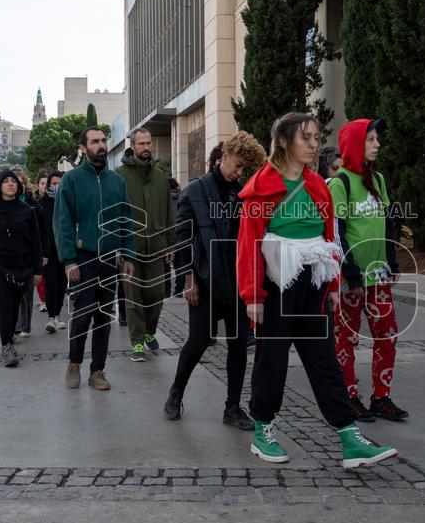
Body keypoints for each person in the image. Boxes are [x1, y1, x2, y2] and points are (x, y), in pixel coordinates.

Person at [237, 112, 398, 469]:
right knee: (272, 361)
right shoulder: (262, 185)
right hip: (277, 287)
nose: (313, 144)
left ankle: (348, 436)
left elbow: (330, 237)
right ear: (283, 141)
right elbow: (249, 244)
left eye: (315, 137)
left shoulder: (318, 185)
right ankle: (263, 431)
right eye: (305, 137)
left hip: (313, 282)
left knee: (324, 361)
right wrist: (253, 297)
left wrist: (334, 283)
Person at [165, 131, 266, 430]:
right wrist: (189, 279)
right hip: (205, 279)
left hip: (237, 281)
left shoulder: (243, 193)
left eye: (244, 167)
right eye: (237, 164)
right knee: (197, 342)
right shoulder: (195, 190)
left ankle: (232, 408)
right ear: (223, 156)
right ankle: (176, 393)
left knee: (238, 346)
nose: (239, 171)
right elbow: (183, 239)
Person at [331, 119, 407, 422]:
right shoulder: (340, 183)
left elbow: (387, 222)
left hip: (378, 276)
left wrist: (392, 261)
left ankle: (381, 398)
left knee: (387, 335)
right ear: (354, 144)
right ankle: (349, 397)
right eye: (370, 139)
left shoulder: (378, 180)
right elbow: (336, 233)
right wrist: (351, 275)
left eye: (377, 139)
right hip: (351, 280)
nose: (377, 144)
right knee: (346, 340)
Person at [54, 126, 135, 390]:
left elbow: (126, 220)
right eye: (95, 141)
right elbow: (62, 221)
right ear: (83, 148)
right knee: (83, 313)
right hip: (82, 257)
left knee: (104, 316)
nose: (101, 145)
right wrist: (69, 260)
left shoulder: (116, 181)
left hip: (110, 259)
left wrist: (128, 255)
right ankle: (74, 362)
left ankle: (98, 370)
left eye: (103, 141)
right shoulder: (72, 180)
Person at [117, 129, 176, 362]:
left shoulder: (160, 177)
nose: (146, 147)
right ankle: (137, 342)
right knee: (133, 298)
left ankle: (150, 332)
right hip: (130, 249)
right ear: (132, 145)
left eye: (149, 143)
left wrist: (171, 244)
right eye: (141, 143)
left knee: (157, 293)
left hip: (157, 246)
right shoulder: (120, 176)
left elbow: (170, 212)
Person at [0, 170, 43, 367]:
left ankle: (9, 335)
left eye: (14, 181)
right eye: (6, 181)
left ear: (19, 186)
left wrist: (37, 270)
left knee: (14, 307)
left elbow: (36, 243)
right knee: (5, 306)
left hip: (22, 267)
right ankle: (7, 345)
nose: (11, 184)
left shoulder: (27, 210)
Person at [11, 167, 49, 339]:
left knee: (26, 291)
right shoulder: (1, 205)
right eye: (12, 181)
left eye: (19, 182)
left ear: (25, 184)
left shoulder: (34, 205)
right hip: (8, 255)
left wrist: (44, 254)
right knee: (11, 292)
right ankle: (14, 324)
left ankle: (23, 325)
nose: (15, 185)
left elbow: (43, 231)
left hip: (29, 253)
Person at [38, 170, 67, 333]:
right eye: (54, 183)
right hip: (48, 250)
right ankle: (51, 317)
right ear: (48, 185)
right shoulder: (41, 204)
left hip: (65, 249)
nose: (56, 186)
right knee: (50, 282)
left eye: (60, 183)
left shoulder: (68, 201)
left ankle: (57, 315)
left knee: (62, 283)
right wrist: (42, 251)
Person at [34, 169, 50, 313]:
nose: (45, 186)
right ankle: (43, 300)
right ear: (38, 185)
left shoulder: (56, 201)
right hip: (38, 242)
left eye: (47, 183)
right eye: (42, 183)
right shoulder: (35, 204)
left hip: (52, 240)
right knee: (42, 273)